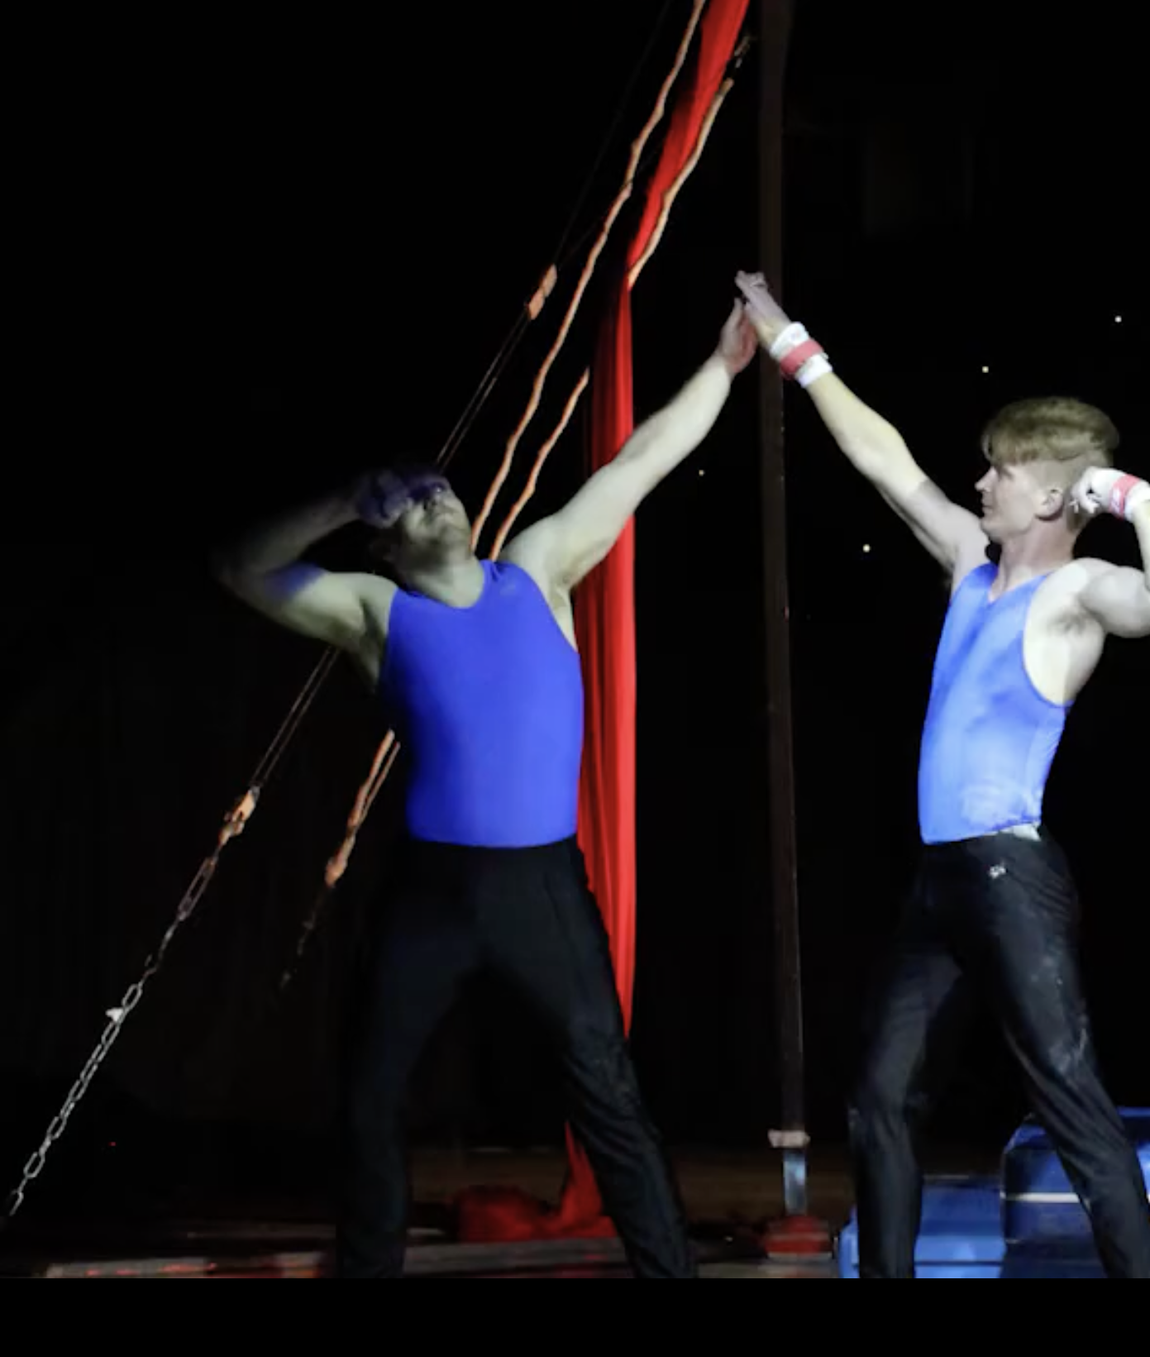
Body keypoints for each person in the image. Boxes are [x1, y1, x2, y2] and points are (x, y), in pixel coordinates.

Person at [211, 307, 761, 1278]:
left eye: (444, 489)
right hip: (432, 893)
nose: (438, 501)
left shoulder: (538, 568)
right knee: (371, 1096)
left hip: (539, 889)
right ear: (385, 545)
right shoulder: (376, 611)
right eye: (414, 501)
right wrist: (344, 499)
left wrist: (722, 364)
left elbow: (643, 460)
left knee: (609, 1094)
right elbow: (238, 566)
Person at [732, 273, 1150, 1280]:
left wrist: (1130, 498)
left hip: (1009, 877)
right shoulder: (967, 564)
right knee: (879, 1097)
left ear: (1052, 494)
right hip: (940, 881)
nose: (980, 484)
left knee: (1071, 1100)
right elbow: (883, 459)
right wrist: (792, 347)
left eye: (1000, 471)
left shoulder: (1076, 590)